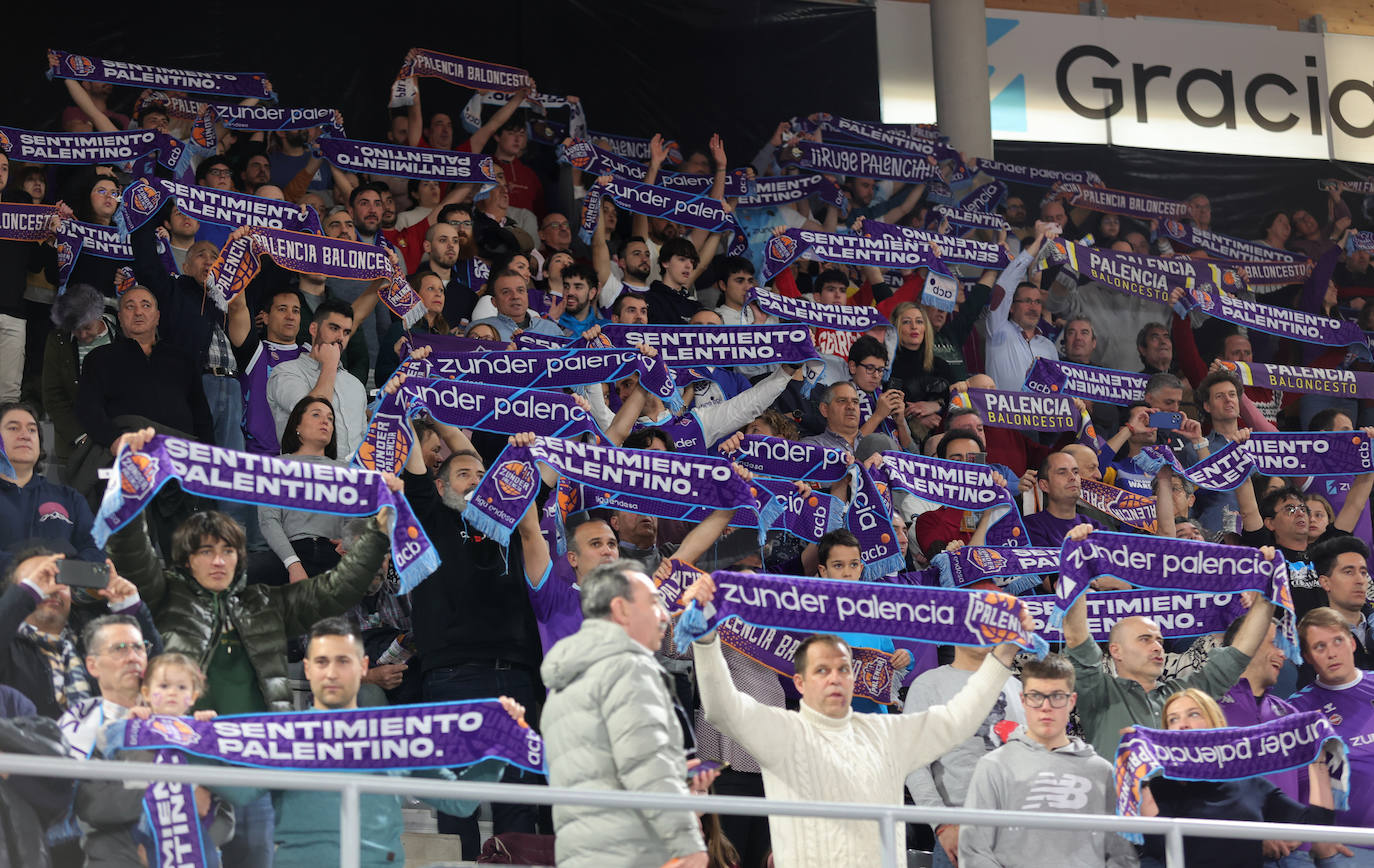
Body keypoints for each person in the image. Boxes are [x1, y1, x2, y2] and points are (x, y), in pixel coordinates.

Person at [106, 427, 394, 868]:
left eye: (227, 551)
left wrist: (376, 534)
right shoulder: (164, 594)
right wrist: (129, 478)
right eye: (206, 552)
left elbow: (336, 589)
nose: (218, 560)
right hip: (182, 758)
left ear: (241, 557)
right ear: (186, 560)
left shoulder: (268, 602)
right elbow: (130, 550)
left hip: (254, 763)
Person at [684, 572, 1035, 868]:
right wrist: (706, 641)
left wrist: (1003, 655)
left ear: (855, 679)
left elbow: (959, 719)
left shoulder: (887, 733)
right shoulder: (781, 731)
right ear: (800, 683)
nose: (834, 677)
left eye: (843, 669)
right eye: (822, 669)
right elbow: (721, 707)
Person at [213, 618, 515, 868]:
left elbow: (460, 803)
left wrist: (493, 751)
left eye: (343, 661)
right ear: (307, 668)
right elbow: (232, 803)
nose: (332, 673)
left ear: (363, 667)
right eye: (322, 662)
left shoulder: (394, 739)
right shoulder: (278, 738)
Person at [541, 561, 709, 868]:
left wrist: (680, 782)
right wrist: (688, 843)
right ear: (622, 610)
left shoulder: (566, 681)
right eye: (654, 602)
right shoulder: (628, 668)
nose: (663, 615)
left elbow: (608, 770)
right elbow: (646, 766)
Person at [1060, 525, 1277, 761]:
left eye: (1159, 641)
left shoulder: (1182, 694)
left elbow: (1238, 654)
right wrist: (1076, 563)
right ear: (1116, 651)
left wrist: (1266, 594)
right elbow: (1076, 636)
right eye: (1145, 639)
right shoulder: (1098, 693)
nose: (1157, 647)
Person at [959, 653, 1137, 868]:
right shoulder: (994, 766)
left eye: (1057, 696)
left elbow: (1120, 852)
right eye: (1036, 696)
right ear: (1023, 700)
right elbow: (975, 849)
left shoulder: (1102, 771)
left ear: (1071, 701)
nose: (1046, 706)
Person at [1138, 689, 1335, 868]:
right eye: (1173, 719)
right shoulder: (1158, 789)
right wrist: (1252, 842)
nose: (1182, 725)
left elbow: (1315, 827)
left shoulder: (1251, 784)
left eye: (1194, 714)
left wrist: (1317, 762)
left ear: (1216, 723)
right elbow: (1162, 847)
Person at [80, 653, 233, 868]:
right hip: (137, 827)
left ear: (194, 696)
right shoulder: (131, 728)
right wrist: (125, 725)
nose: (172, 692)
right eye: (163, 686)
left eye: (182, 688)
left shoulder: (201, 732)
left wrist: (212, 732)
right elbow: (104, 745)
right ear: (146, 693)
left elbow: (224, 792)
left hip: (191, 830)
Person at [907, 643, 1027, 868]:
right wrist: (942, 824)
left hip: (1015, 831)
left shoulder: (1016, 687)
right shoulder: (928, 685)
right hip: (958, 832)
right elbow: (914, 764)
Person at [0, 549, 155, 720]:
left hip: (105, 740)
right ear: (18, 593)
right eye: (40, 580)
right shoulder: (7, 644)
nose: (51, 588)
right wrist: (26, 596)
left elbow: (158, 675)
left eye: (60, 579)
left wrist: (130, 609)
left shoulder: (97, 640)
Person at [1290, 607, 1374, 864]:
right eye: (1319, 647)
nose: (1331, 653)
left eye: (1337, 640)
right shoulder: (1298, 711)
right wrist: (1320, 841)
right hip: (1349, 848)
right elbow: (1290, 785)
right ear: (1306, 656)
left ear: (1351, 642)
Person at [0, 402, 103, 567]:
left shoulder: (70, 498)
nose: (25, 435)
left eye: (32, 430)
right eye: (13, 428)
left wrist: (60, 573)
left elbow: (95, 550)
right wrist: (28, 570)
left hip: (63, 588)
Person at [258, 397, 347, 585]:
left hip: (335, 556)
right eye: (316, 415)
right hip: (289, 553)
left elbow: (366, 518)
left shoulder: (349, 471)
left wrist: (353, 538)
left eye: (330, 418)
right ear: (296, 426)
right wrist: (293, 564)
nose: (325, 421)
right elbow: (269, 520)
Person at [266, 298, 368, 458]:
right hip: (306, 475)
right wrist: (329, 365)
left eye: (346, 332)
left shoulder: (355, 385)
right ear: (314, 329)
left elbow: (362, 440)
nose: (340, 337)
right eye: (334, 328)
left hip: (352, 477)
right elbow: (310, 412)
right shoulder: (286, 372)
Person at [42, 284, 115, 467]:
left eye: (87, 327)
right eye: (75, 329)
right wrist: (80, 437)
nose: (82, 335)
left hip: (120, 439)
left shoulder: (121, 333)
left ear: (99, 315)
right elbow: (53, 397)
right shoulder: (58, 340)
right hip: (76, 447)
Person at [984, 221, 1058, 391]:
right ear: (1011, 306)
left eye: (1038, 302)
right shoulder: (998, 329)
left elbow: (1056, 391)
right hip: (1002, 416)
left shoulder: (1048, 346)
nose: (1033, 307)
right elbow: (1005, 284)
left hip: (1040, 417)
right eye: (1027, 301)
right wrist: (1039, 240)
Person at [1022, 451, 1103, 547]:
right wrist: (1071, 545)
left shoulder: (1095, 526)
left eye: (1076, 472)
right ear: (1044, 485)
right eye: (1062, 473)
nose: (1072, 477)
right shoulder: (1030, 526)